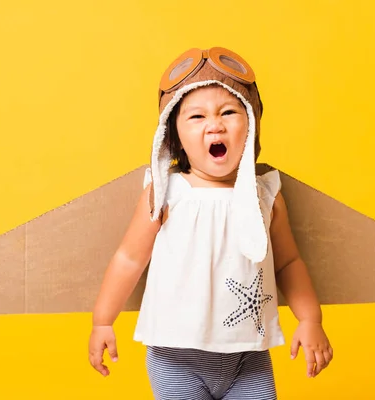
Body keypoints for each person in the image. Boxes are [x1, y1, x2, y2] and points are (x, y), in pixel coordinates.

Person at [88, 47, 333, 399]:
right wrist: (102, 320)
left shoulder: (265, 194)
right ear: (174, 135)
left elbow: (289, 263)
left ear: (249, 124)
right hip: (176, 357)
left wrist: (311, 320)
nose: (215, 124)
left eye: (229, 111)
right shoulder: (167, 192)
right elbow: (129, 258)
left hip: (248, 357)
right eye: (197, 117)